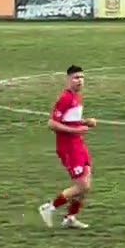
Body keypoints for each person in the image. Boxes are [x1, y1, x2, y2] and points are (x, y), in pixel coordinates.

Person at [40, 65, 98, 229]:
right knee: (82, 185)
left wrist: (85, 122)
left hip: (78, 144)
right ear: (68, 79)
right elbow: (52, 124)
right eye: (76, 78)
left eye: (82, 77)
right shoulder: (65, 98)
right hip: (68, 147)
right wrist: (75, 130)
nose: (79, 81)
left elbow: (69, 119)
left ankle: (70, 217)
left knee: (86, 185)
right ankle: (49, 207)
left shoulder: (77, 96)